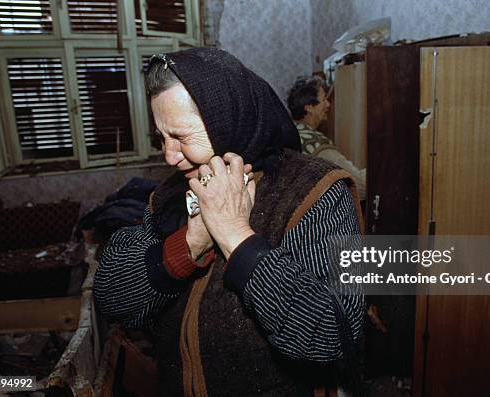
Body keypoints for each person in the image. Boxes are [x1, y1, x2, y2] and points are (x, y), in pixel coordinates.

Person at [93, 48, 364, 396]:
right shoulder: (169, 196)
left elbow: (332, 338)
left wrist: (236, 237)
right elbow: (113, 299)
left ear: (228, 120)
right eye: (162, 138)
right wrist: (191, 243)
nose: (169, 156)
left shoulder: (316, 191)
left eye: (181, 137)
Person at [287, 76, 367, 200]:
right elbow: (359, 186)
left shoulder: (292, 131)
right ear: (309, 108)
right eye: (323, 99)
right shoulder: (316, 143)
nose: (328, 104)